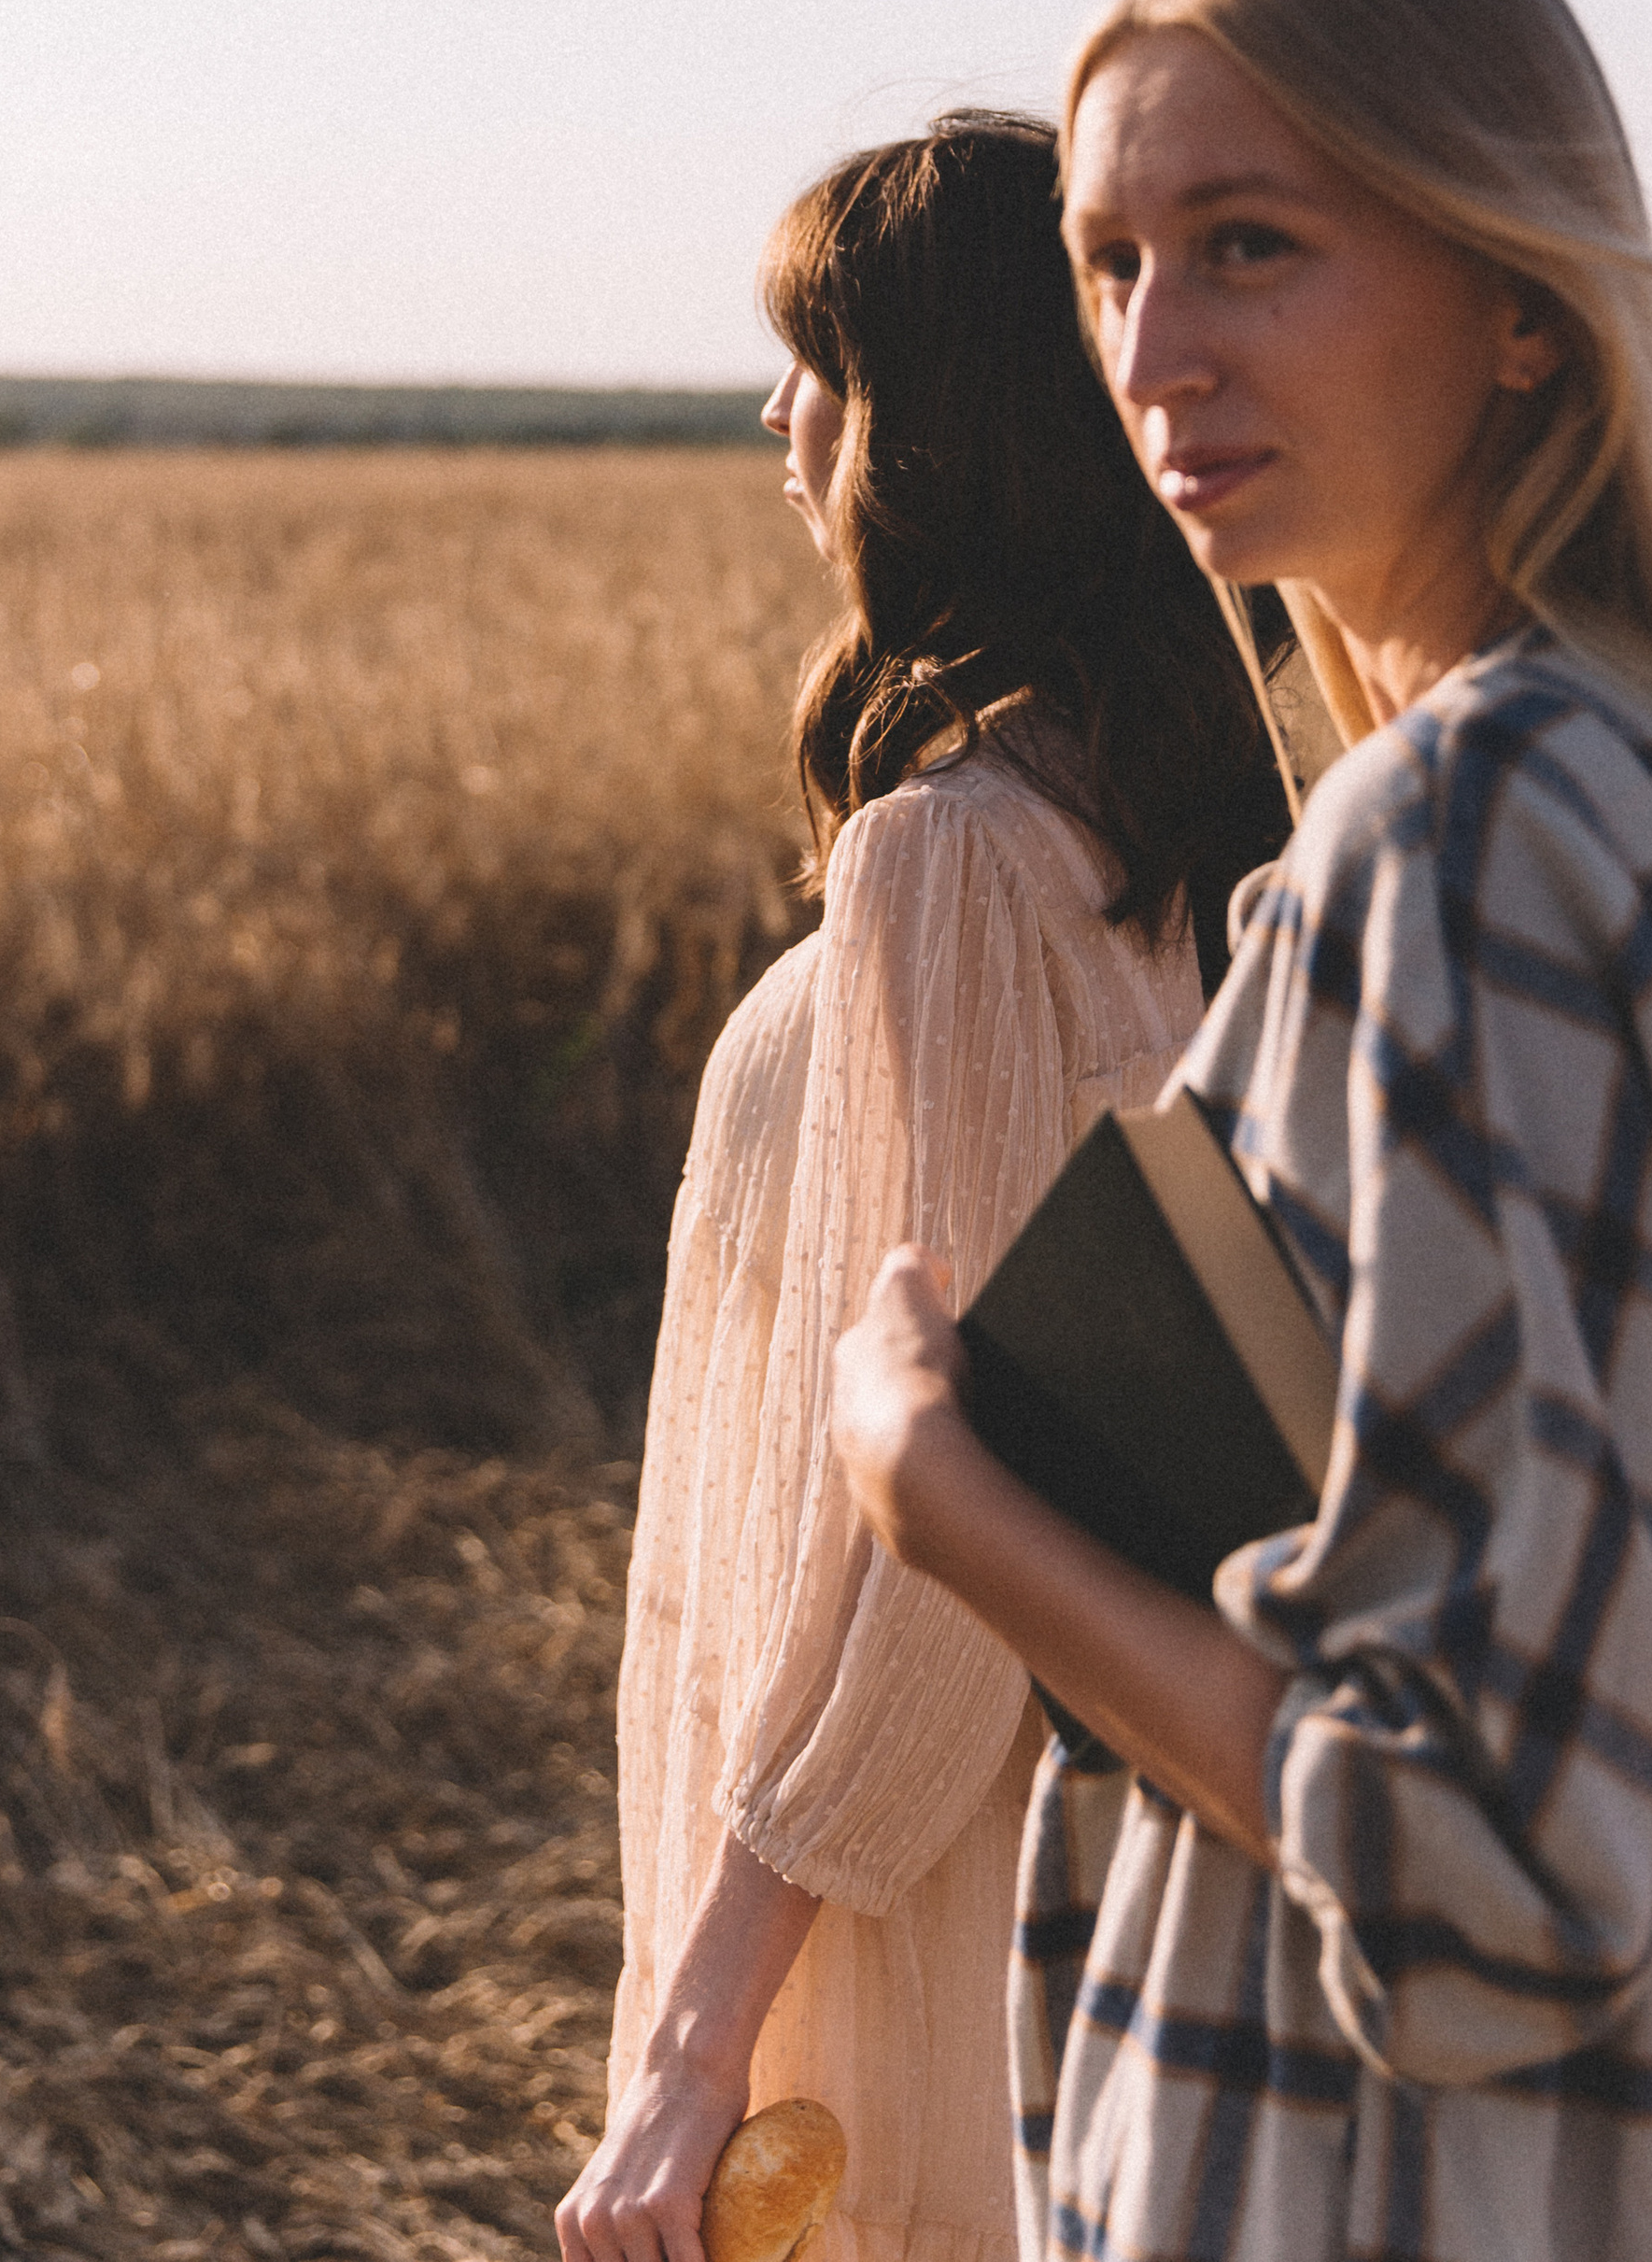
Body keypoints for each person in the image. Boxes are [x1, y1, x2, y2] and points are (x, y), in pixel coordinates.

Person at [831, 0, 1652, 2262]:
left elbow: (1499, 1871)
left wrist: (938, 1494)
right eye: (1105, 267)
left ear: (1521, 298)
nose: (1153, 352)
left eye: (1248, 245)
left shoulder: (1471, 841)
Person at [558, 112, 1292, 2262]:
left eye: (815, 355)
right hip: (1079, 1835)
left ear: (926, 419)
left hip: (908, 1892)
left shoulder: (953, 856)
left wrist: (702, 2042)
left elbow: (946, 1521)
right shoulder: (1194, 818)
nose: (774, 411)